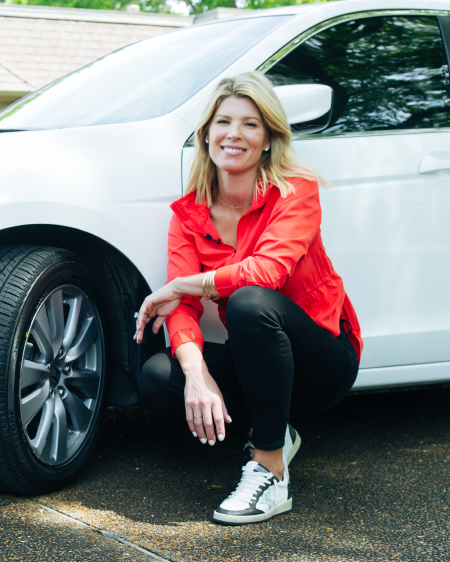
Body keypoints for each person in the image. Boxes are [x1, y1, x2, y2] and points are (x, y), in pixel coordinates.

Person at [134, 71, 362, 525]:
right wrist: (196, 373)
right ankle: (277, 429)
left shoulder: (295, 191)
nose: (234, 134)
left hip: (322, 358)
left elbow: (268, 272)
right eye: (223, 122)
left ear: (268, 139)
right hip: (262, 361)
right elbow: (181, 311)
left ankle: (271, 468)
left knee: (249, 301)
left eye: (250, 124)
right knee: (161, 375)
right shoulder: (188, 214)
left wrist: (181, 285)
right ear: (206, 135)